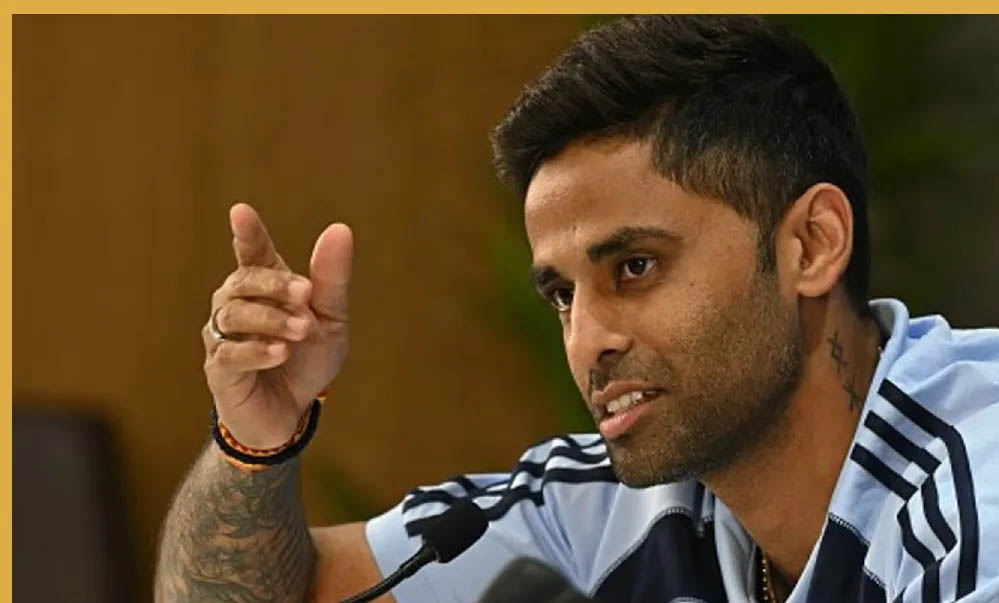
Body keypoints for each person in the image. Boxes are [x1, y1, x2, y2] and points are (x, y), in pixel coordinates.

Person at [154, 15, 999, 603]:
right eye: (561, 294)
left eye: (634, 266)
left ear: (810, 245)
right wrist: (255, 442)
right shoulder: (612, 501)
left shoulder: (977, 486)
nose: (587, 339)